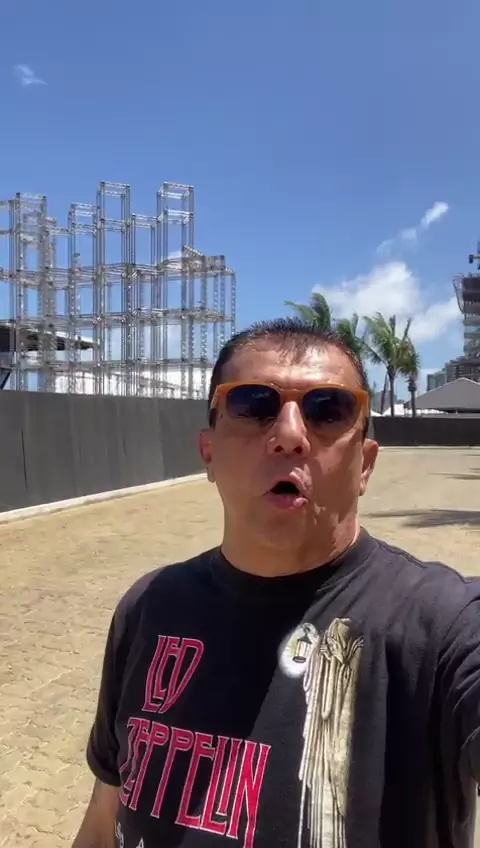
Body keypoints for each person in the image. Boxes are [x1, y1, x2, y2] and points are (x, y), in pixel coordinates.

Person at [72, 317, 480, 848]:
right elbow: (103, 822)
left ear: (365, 465)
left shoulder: (442, 626)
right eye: (252, 405)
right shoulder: (148, 606)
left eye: (328, 409)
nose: (289, 435)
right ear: (208, 452)